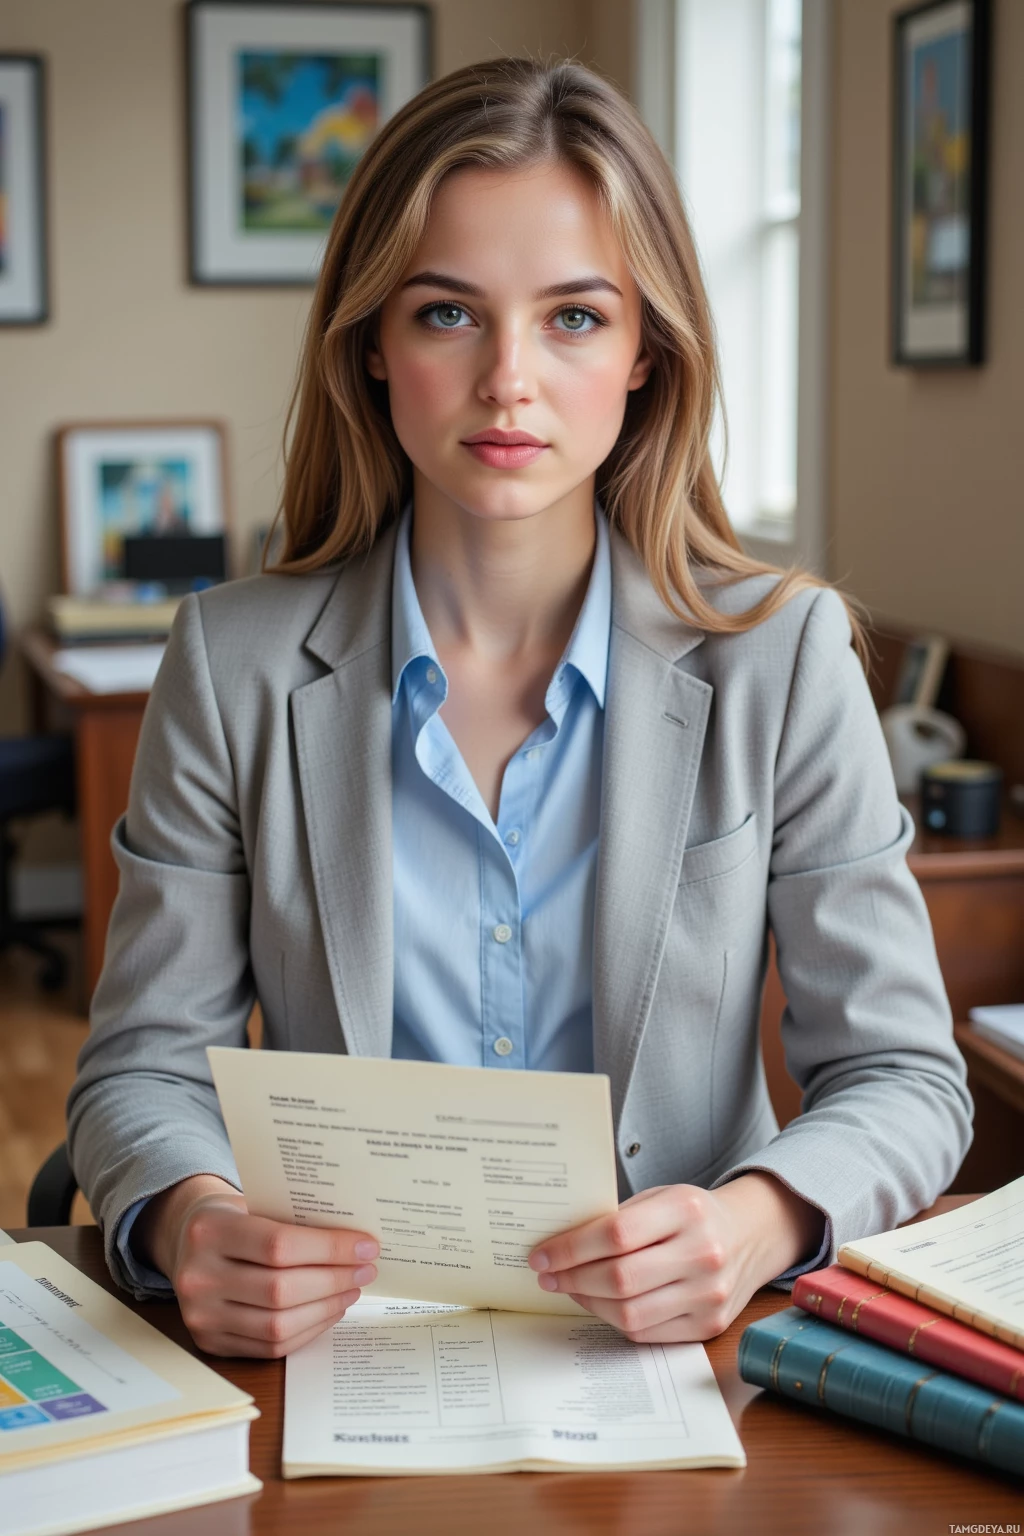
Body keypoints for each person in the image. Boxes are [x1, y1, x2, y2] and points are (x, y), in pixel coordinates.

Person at [67, 58, 971, 1359]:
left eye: (574, 317)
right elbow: (142, 1067)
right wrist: (189, 1221)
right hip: (338, 1358)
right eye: (447, 314)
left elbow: (905, 1077)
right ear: (371, 342)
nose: (509, 382)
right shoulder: (230, 662)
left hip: (687, 1368)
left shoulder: (783, 656)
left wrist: (757, 1223)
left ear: (648, 350)